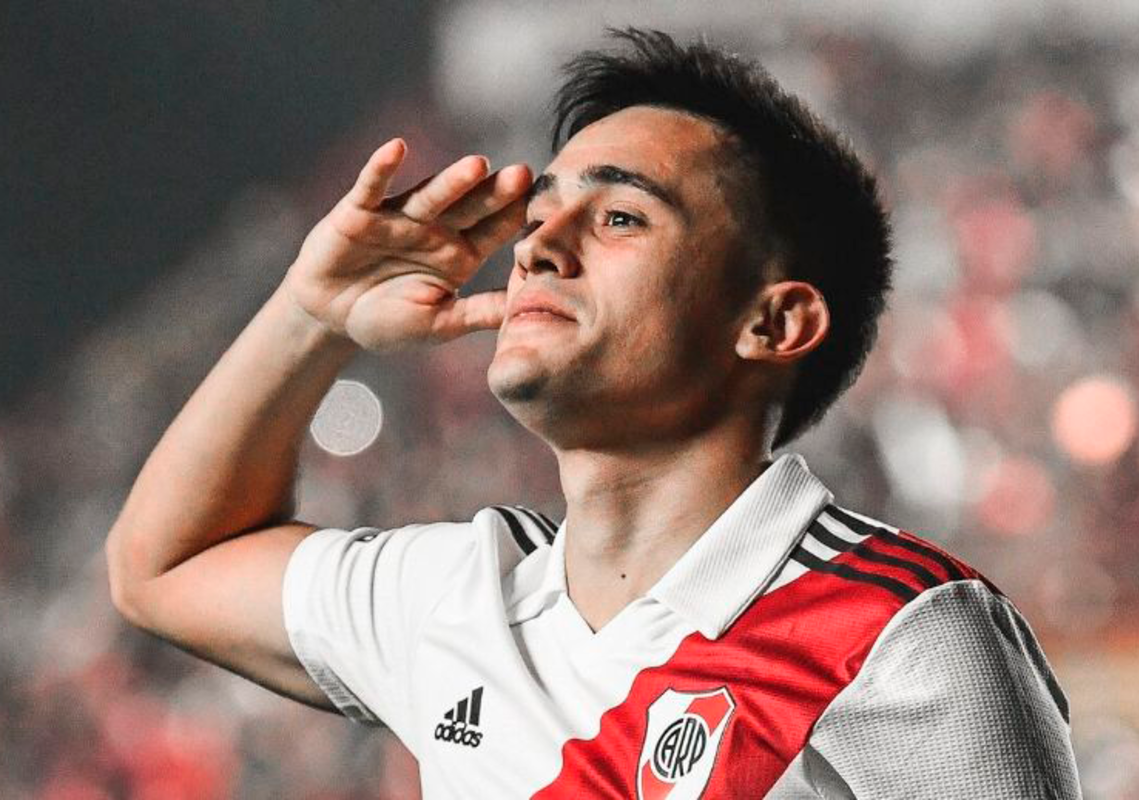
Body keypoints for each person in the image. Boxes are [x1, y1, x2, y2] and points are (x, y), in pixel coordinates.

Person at [106, 28, 1081, 799]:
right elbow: (164, 567)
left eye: (619, 216)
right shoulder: (462, 591)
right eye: (538, 220)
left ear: (772, 318)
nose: (539, 247)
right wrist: (309, 318)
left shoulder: (901, 632)